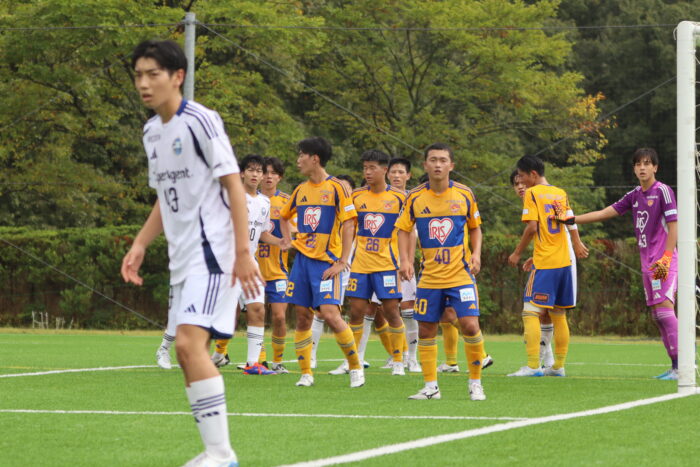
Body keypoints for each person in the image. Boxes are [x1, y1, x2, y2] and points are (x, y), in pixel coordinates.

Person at [121, 39, 261, 467]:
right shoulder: (151, 132)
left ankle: (221, 454)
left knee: (187, 343)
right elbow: (165, 197)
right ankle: (216, 452)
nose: (144, 84)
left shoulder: (200, 120)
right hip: (182, 260)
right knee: (186, 352)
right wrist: (141, 242)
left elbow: (233, 183)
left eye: (153, 74)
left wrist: (243, 252)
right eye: (138, 75)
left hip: (214, 254)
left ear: (177, 76)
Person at [552, 148, 679, 380]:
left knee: (664, 312)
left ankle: (684, 365)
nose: (642, 168)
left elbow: (674, 225)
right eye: (638, 164)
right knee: (657, 316)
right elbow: (604, 213)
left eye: (647, 163)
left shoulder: (663, 191)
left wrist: (667, 257)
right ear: (634, 168)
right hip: (647, 263)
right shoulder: (634, 195)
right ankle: (675, 367)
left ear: (655, 167)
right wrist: (571, 219)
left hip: (663, 261)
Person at [398, 143, 486, 401]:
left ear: (451, 165)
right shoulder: (415, 197)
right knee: (426, 329)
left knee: (470, 325)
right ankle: (431, 387)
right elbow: (403, 229)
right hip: (429, 277)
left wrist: (476, 254)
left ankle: (475, 383)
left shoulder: (464, 194)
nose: (438, 164)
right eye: (433, 160)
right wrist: (405, 260)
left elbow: (475, 227)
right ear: (425, 165)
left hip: (461, 274)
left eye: (443, 160)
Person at [280, 137, 365, 387]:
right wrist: (287, 241)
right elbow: (284, 216)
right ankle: (306, 373)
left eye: (301, 155)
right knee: (302, 317)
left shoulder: (337, 187)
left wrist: (343, 261)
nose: (298, 160)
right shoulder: (300, 190)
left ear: (314, 158)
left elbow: (349, 224)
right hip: (302, 263)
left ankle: (355, 367)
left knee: (330, 314)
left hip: (326, 264)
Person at [330, 150, 407, 376]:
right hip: (360, 265)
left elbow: (408, 231)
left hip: (387, 265)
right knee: (356, 312)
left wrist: (406, 260)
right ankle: (353, 361)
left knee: (391, 311)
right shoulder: (355, 196)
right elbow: (347, 227)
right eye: (365, 168)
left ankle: (398, 360)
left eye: (372, 167)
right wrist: (342, 257)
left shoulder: (400, 198)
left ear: (384, 170)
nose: (367, 172)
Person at [211, 154, 286, 376]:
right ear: (242, 173)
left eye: (259, 171)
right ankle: (202, 352)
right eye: (251, 170)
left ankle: (253, 363)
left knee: (257, 309)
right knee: (222, 313)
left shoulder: (264, 202)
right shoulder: (230, 196)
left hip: (250, 262)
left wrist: (280, 242)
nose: (255, 174)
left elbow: (261, 233)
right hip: (227, 262)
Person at [507, 155, 579, 377]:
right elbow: (568, 223)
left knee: (530, 311)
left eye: (522, 176)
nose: (521, 182)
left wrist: (517, 252)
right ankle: (558, 366)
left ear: (533, 174)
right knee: (558, 314)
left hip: (546, 262)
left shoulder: (532, 193)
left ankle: (532, 366)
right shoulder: (559, 193)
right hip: (564, 261)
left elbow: (532, 228)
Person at [256, 156, 293, 374]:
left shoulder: (287, 201)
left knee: (279, 316)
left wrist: (290, 237)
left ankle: (278, 361)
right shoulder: (250, 200)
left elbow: (297, 229)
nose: (269, 177)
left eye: (273, 173)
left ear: (279, 177)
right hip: (253, 270)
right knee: (257, 315)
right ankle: (260, 360)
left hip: (278, 271)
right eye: (265, 172)